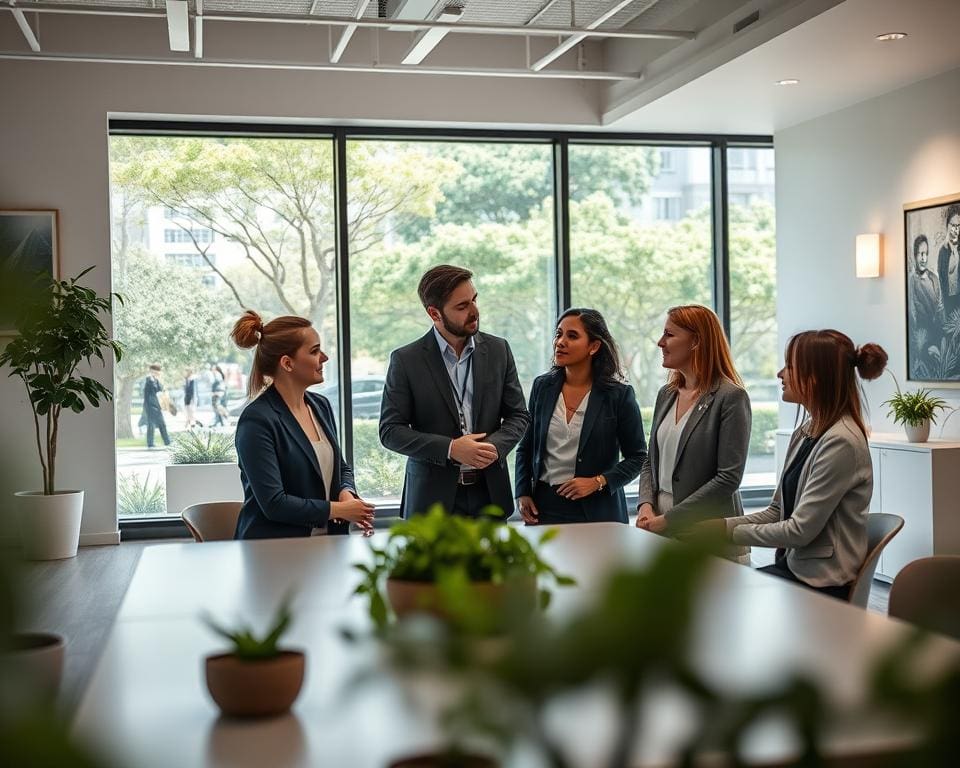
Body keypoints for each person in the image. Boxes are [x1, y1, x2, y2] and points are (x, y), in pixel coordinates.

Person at [704, 330, 888, 600]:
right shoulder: (806, 431)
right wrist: (723, 525)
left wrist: (724, 533)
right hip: (796, 570)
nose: (780, 373)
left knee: (718, 598)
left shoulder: (842, 442)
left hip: (821, 585)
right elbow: (778, 511)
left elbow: (799, 531)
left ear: (814, 377)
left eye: (789, 366)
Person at [379, 264, 530, 519]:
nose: (474, 312)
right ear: (434, 313)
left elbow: (519, 416)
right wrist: (450, 448)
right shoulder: (406, 360)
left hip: (490, 496)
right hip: (430, 503)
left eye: (474, 300)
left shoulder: (498, 350)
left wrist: (493, 447)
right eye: (462, 307)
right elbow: (390, 431)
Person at [231, 310, 375, 540]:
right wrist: (338, 510)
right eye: (315, 351)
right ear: (287, 363)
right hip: (273, 550)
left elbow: (341, 467)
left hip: (329, 543)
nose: (325, 357)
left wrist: (346, 494)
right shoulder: (256, 421)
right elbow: (274, 503)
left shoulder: (321, 406)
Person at [515, 308, 646, 525]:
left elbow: (638, 457)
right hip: (544, 507)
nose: (560, 342)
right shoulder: (542, 387)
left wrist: (598, 481)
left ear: (594, 346)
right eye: (558, 334)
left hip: (598, 508)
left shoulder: (618, 395)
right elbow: (526, 446)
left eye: (572, 336)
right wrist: (522, 491)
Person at [636, 305, 751, 539]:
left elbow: (728, 478)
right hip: (658, 525)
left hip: (704, 531)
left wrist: (670, 520)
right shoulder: (666, 394)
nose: (660, 342)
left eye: (669, 334)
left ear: (696, 341)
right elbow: (651, 460)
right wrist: (645, 505)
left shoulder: (730, 397)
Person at [937, 203, 960, 321]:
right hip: (948, 301)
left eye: (958, 225)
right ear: (948, 226)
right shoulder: (943, 251)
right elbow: (941, 278)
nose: (956, 229)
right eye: (953, 225)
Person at [142, 364, 171, 449]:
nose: (158, 373)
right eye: (156, 371)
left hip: (157, 406)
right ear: (152, 371)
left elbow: (160, 390)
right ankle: (150, 443)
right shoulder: (148, 380)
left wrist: (159, 380)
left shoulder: (156, 380)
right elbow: (151, 390)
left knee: (162, 424)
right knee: (151, 425)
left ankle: (167, 442)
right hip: (150, 406)